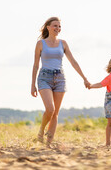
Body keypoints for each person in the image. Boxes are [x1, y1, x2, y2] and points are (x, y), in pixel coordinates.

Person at [31, 17, 90, 147]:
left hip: (60, 78)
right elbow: (35, 65)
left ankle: (48, 143)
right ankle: (41, 131)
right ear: (48, 27)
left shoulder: (63, 43)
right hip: (44, 77)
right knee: (50, 109)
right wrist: (32, 84)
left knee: (55, 113)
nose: (57, 28)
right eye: (55, 26)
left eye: (59, 26)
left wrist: (84, 78)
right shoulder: (41, 44)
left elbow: (73, 62)